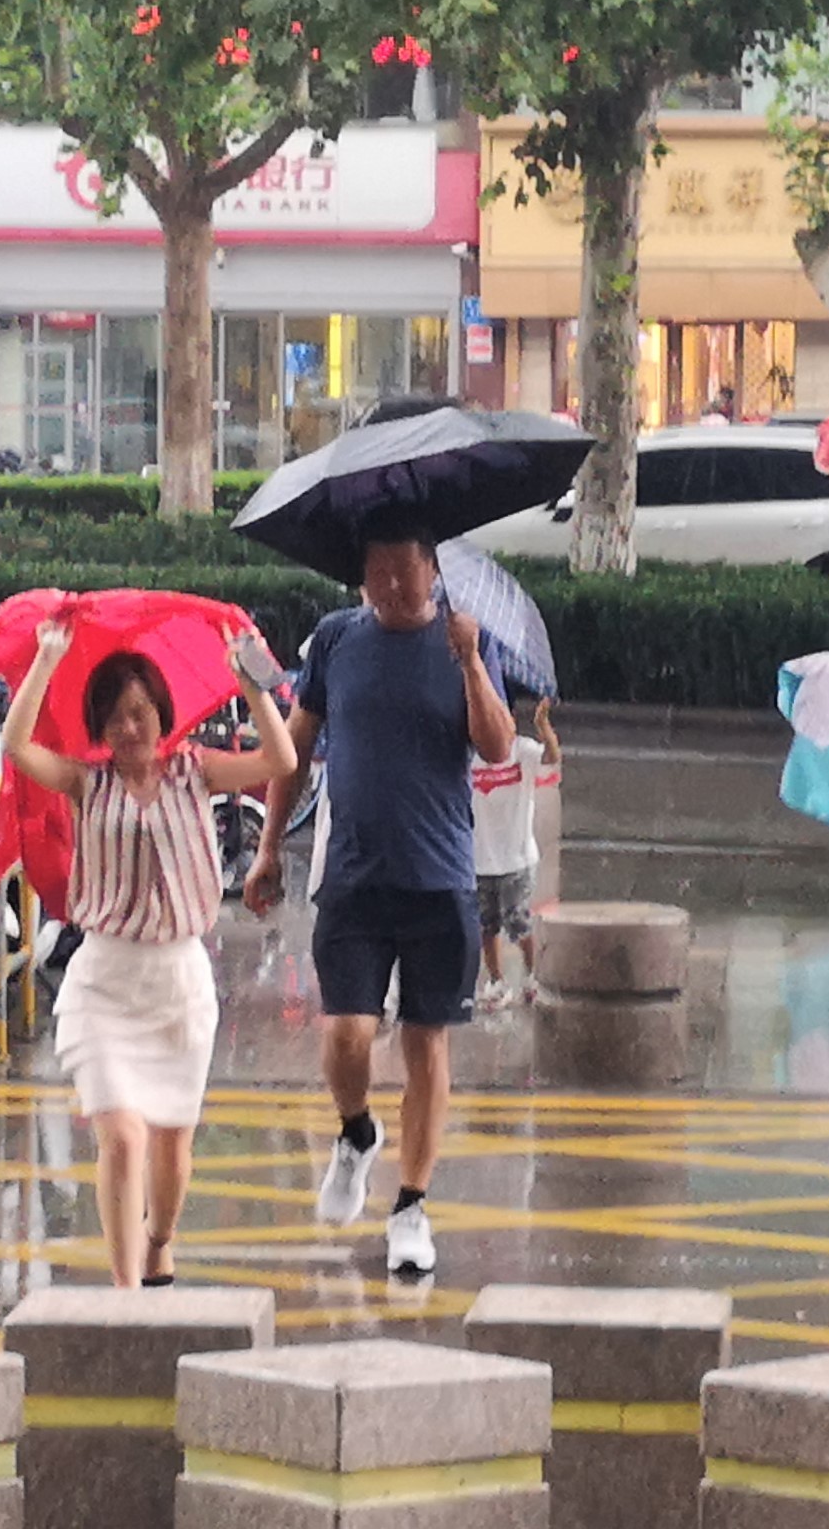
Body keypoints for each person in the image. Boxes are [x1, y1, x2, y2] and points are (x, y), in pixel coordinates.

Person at [247, 514, 515, 1277]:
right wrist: (269, 848)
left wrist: (468, 662)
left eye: (405, 568)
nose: (392, 585)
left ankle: (410, 1205)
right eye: (376, 572)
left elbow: (495, 745)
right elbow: (292, 748)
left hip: (439, 879)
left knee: (426, 1042)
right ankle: (355, 1132)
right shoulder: (336, 639)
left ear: (433, 569)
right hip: (353, 876)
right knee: (346, 1034)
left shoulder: (465, 640)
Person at [4, 617, 297, 1286]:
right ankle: (125, 1287)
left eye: (138, 712)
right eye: (113, 717)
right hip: (103, 979)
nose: (128, 727)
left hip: (177, 985)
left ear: (160, 714)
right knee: (123, 1136)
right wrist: (46, 661)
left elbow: (279, 760)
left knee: (170, 1142)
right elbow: (17, 744)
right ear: (99, 728)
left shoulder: (195, 771)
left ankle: (159, 1236)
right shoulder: (87, 782)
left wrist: (250, 685)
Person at [473, 698, 561, 1005]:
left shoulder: (522, 751)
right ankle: (496, 981)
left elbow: (551, 756)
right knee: (486, 926)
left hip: (517, 858)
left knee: (519, 921)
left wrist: (543, 727)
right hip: (479, 859)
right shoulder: (469, 756)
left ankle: (532, 975)